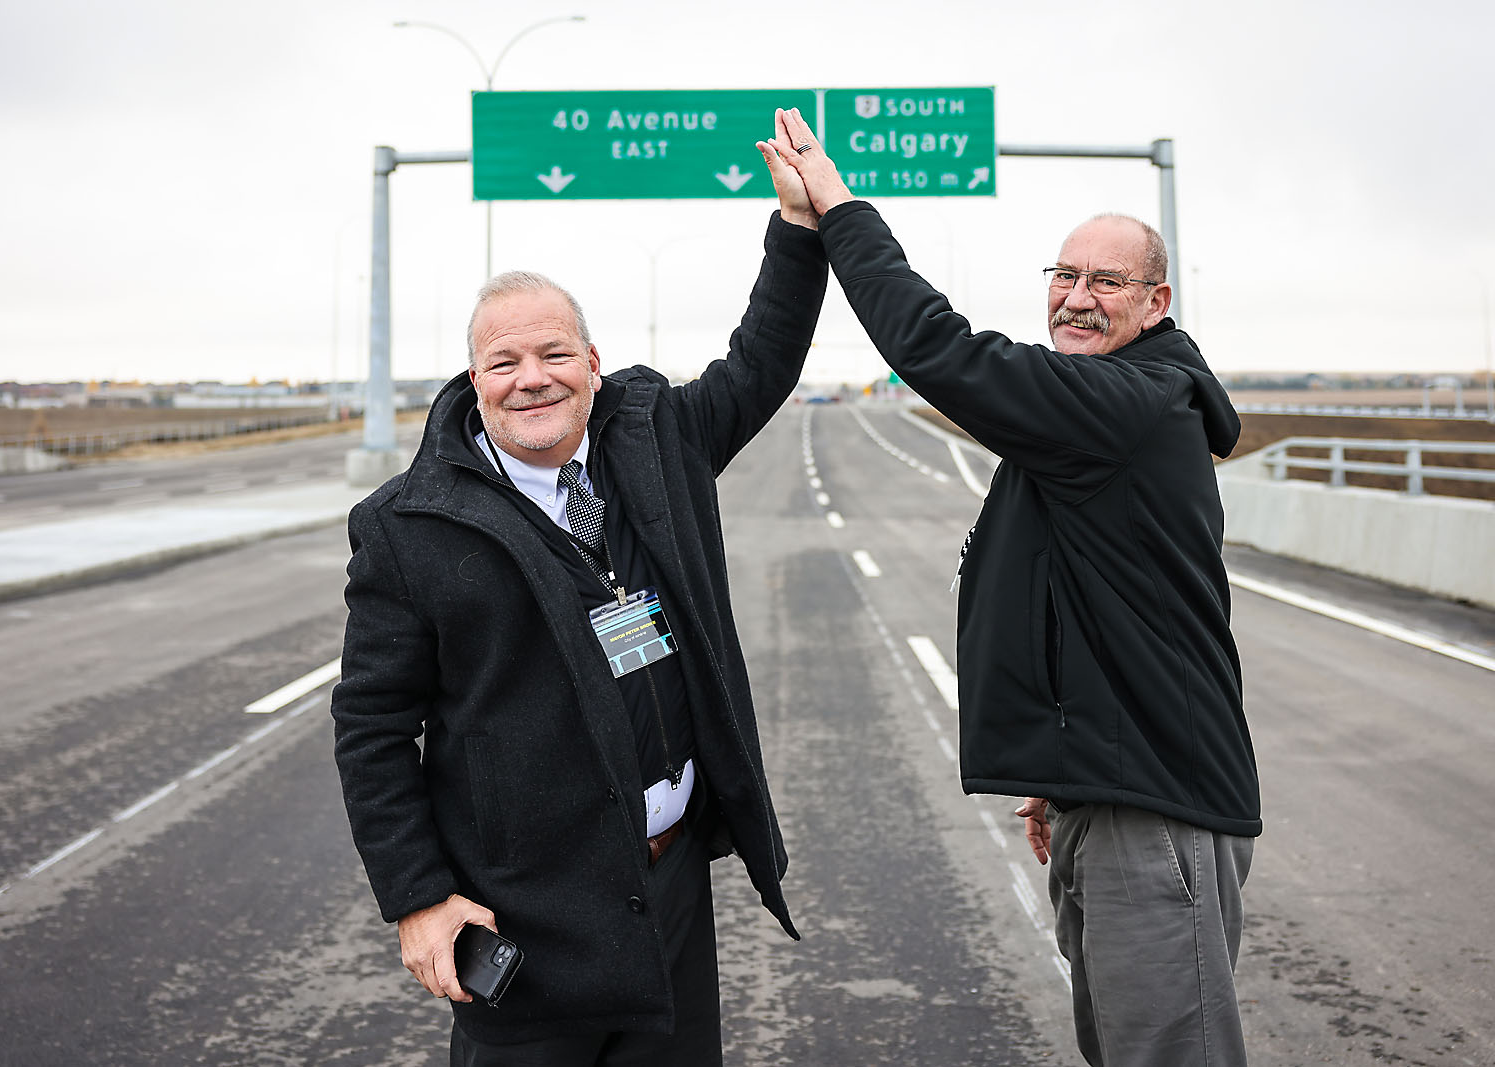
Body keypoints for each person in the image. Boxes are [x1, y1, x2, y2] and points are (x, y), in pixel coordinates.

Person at [760, 108, 1261, 1066]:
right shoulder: (1100, 409)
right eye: (1064, 277)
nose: (1076, 297)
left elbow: (940, 351)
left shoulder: (1123, 404)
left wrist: (839, 209)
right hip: (1104, 789)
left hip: (1154, 807)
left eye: (1105, 282)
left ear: (1156, 304)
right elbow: (1064, 595)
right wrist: (1056, 768)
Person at [330, 115, 827, 1066]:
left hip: (667, 887)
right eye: (502, 363)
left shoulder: (657, 443)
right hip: (527, 917)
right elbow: (371, 731)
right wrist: (417, 897)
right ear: (472, 382)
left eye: (554, 354)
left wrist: (799, 231)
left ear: (593, 365)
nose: (532, 380)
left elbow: (761, 360)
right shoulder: (407, 527)